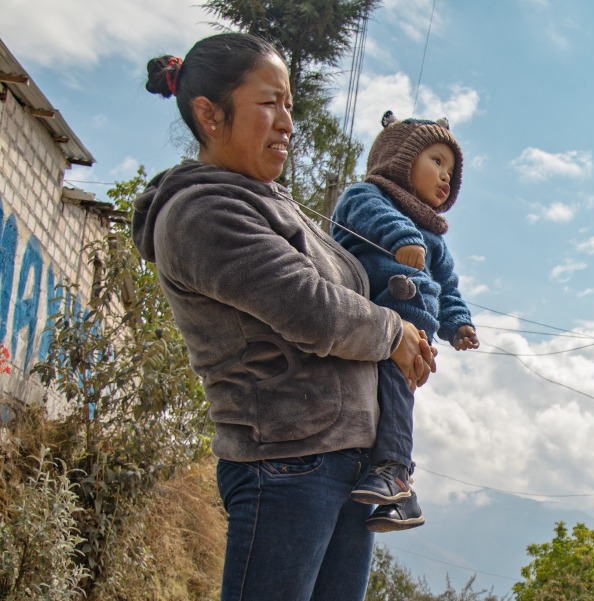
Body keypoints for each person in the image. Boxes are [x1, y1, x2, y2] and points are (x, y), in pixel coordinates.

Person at [135, 33, 436, 600]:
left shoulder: (269, 202)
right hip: (286, 463)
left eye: (290, 105)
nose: (286, 122)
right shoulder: (203, 212)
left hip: (342, 461)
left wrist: (407, 332)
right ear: (209, 113)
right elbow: (313, 310)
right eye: (268, 103)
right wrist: (395, 332)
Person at [331, 110, 479, 533]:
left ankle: (397, 476)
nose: (445, 177)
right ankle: (398, 479)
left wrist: (458, 324)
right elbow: (374, 218)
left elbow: (448, 287)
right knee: (386, 398)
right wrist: (403, 239)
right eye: (436, 161)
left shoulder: (435, 239)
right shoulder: (365, 196)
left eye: (450, 171)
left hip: (412, 338)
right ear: (399, 159)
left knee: (395, 399)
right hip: (376, 321)